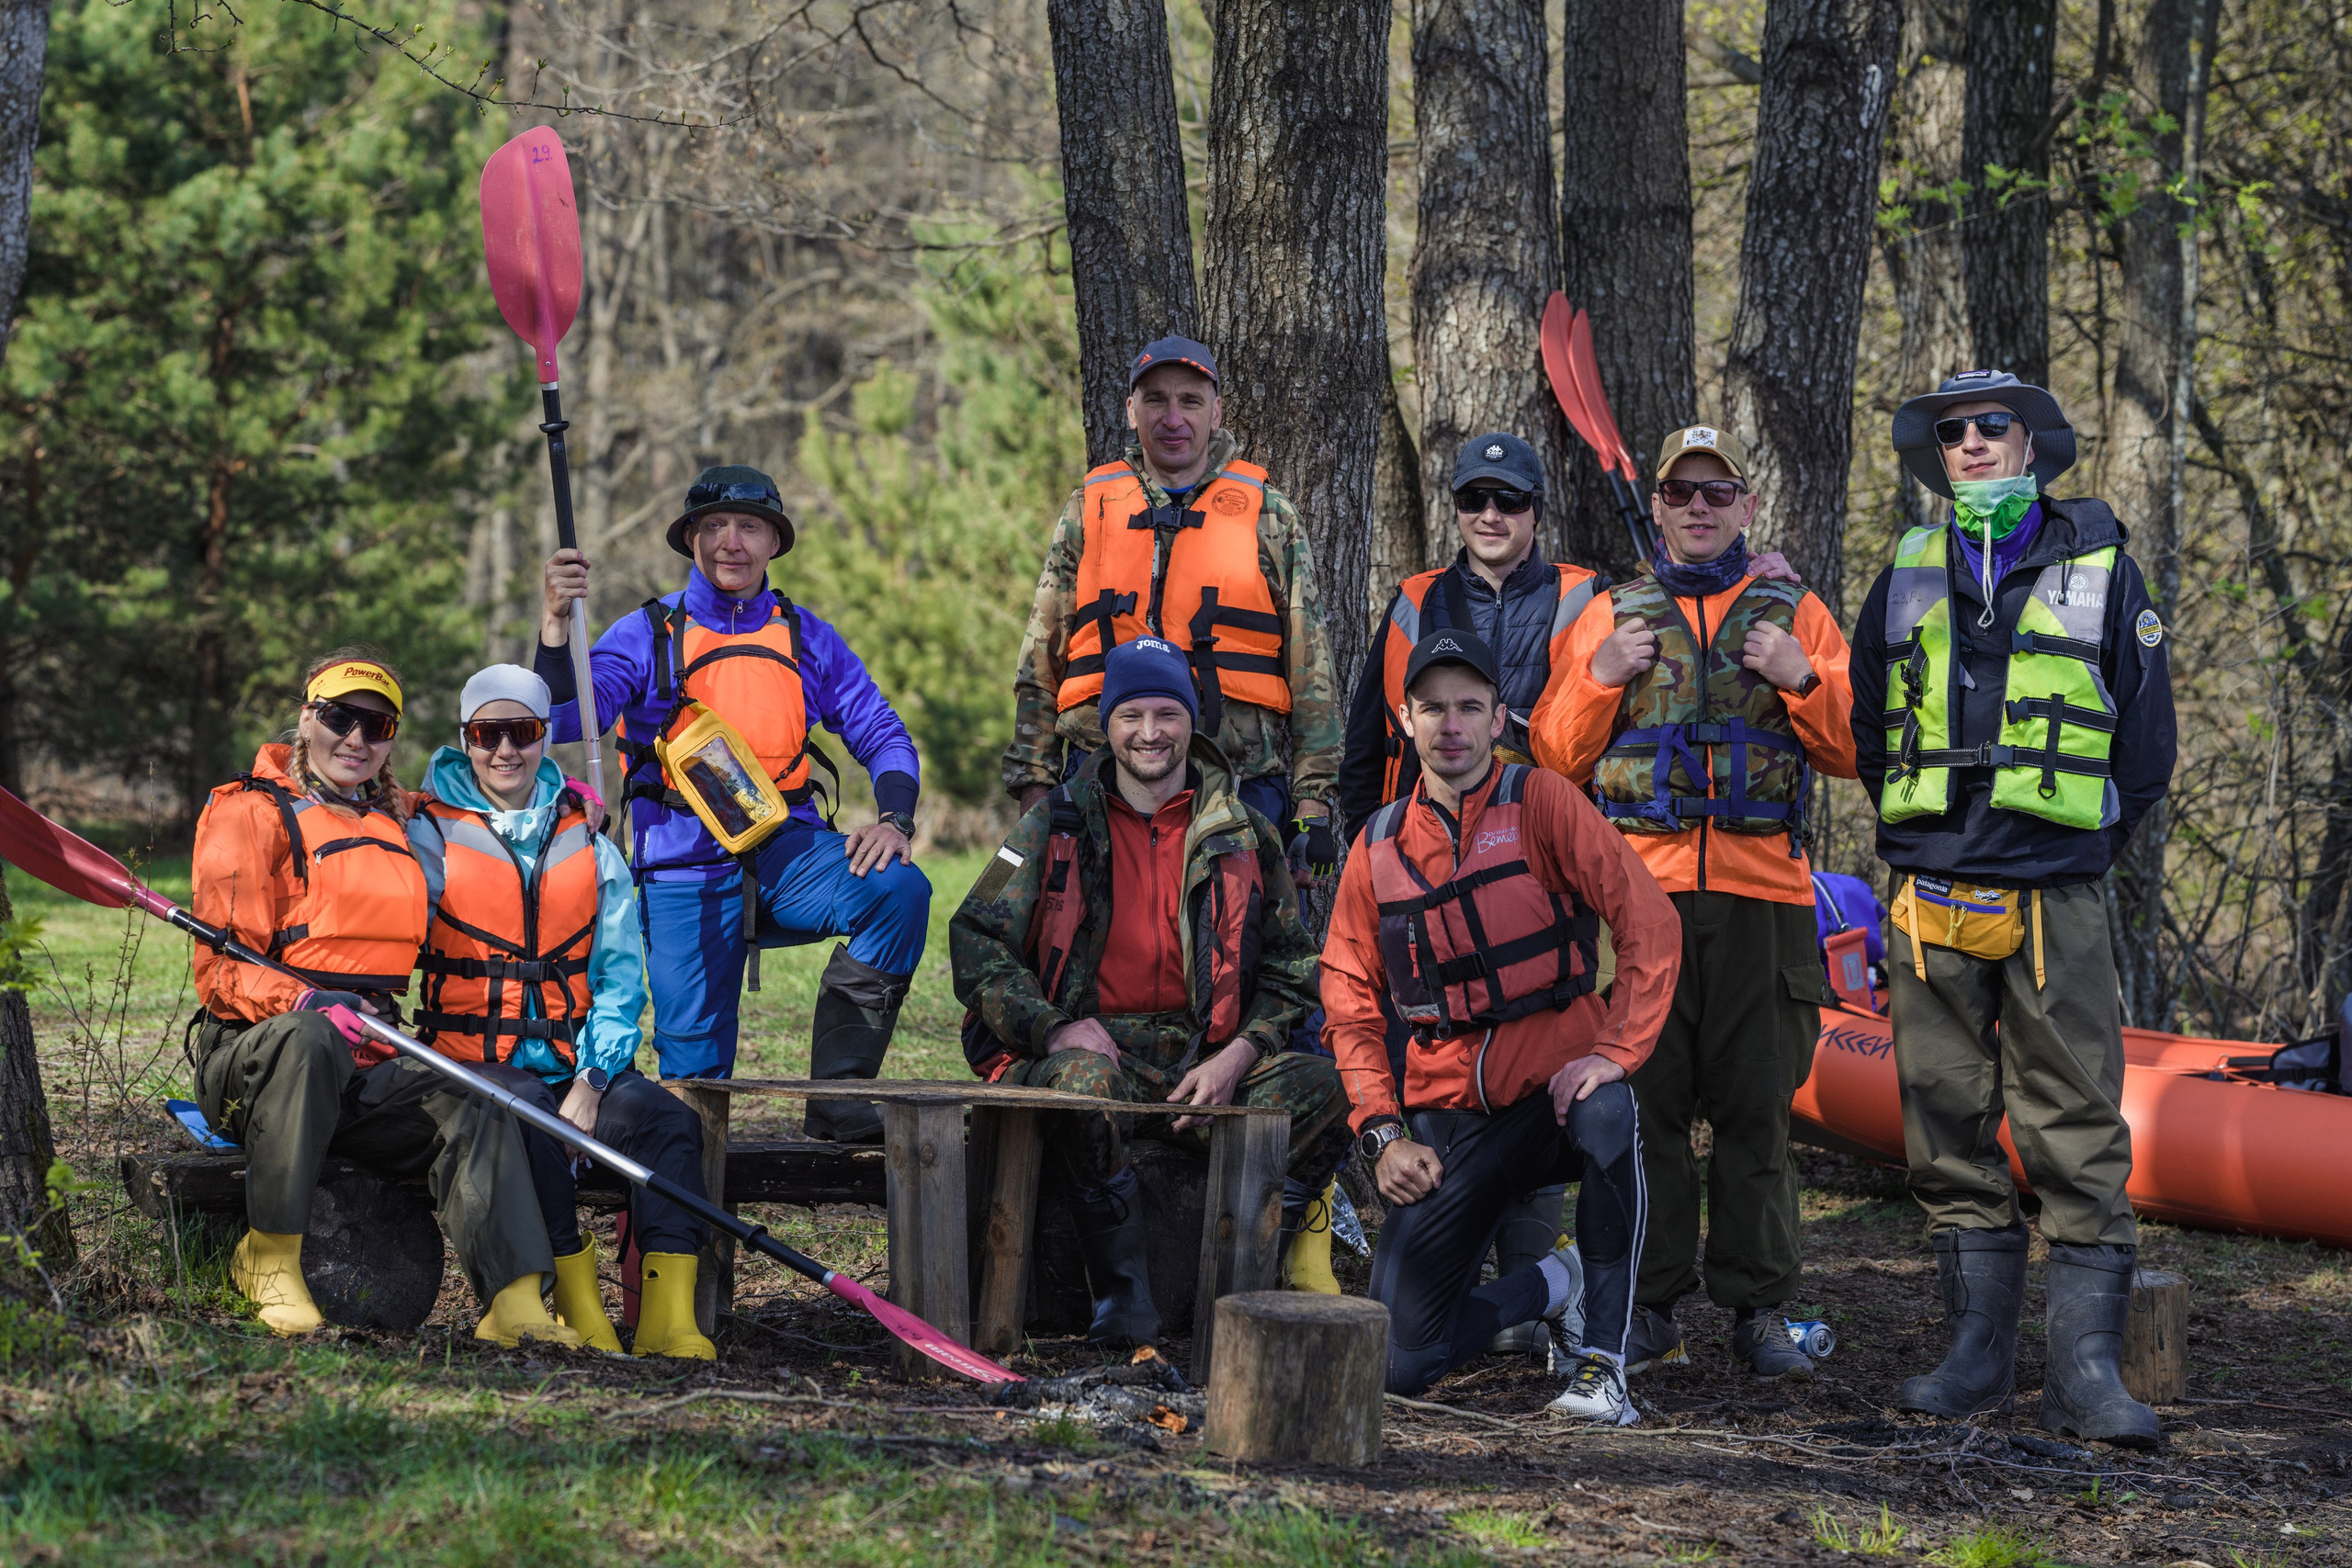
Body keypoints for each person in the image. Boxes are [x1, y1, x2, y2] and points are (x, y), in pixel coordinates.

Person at [1853, 370, 2177, 1446]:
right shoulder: (1901, 574)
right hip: (1932, 892)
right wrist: (1922, 843)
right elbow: (1866, 727)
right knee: (1944, 1124)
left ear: (2031, 442)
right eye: (1951, 432)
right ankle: (1972, 1356)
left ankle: (2084, 1373)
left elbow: (2145, 745)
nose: (1971, 442)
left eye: (1992, 425)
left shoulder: (2103, 570)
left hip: (2054, 895)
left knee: (2074, 1122)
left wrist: (2079, 849)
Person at [1530, 423, 1856, 1382]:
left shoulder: (1796, 610)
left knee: (1758, 1113)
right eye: (1682, 494)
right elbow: (1554, 756)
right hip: (1645, 903)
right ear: (1661, 508)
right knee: (1649, 1113)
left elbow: (1853, 749)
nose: (1700, 509)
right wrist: (1600, 677)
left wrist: (1798, 679)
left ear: (1746, 507)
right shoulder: (1610, 614)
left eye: (1718, 494)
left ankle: (1757, 1311)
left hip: (1763, 897)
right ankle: (1650, 1308)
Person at [1322, 630, 1680, 1422]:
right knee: (1397, 1361)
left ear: (1498, 718)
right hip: (1451, 1119)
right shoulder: (1376, 844)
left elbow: (1647, 918)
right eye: (1433, 709)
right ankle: (1555, 1285)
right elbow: (1347, 996)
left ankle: (1606, 1367)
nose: (1451, 725)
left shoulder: (1543, 801)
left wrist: (1616, 1051)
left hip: (1558, 1091)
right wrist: (1382, 1133)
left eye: (1469, 708)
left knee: (1609, 1111)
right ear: (1407, 720)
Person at [953, 637, 1353, 1345]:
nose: (1149, 733)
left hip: (1203, 1059)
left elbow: (1294, 967)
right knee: (1078, 1079)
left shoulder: (1242, 831)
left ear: (1190, 722)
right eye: (1130, 714)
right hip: (1098, 1051)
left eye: (1166, 713)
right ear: (1105, 724)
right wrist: (1052, 1028)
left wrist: (1237, 1057)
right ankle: (1123, 1294)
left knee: (1322, 1085)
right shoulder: (1056, 820)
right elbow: (976, 938)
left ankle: (1244, 1277)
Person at [188, 651, 577, 1346]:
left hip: (370, 1054)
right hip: (258, 1055)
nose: (356, 739)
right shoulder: (251, 810)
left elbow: (495, 791)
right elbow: (219, 973)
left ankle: (515, 1298)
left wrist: (562, 799)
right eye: (340, 717)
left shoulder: (402, 816)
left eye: (377, 725)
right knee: (310, 1043)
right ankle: (269, 1259)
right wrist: (305, 1003)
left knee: (476, 1095)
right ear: (307, 717)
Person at [539, 466, 930, 1142]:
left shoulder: (807, 636)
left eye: (750, 526)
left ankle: (837, 1097)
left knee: (898, 890)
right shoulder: (649, 632)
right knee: (696, 1083)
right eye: (714, 526)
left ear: (774, 542)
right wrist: (552, 621)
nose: (731, 542)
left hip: (788, 852)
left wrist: (895, 816)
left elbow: (882, 731)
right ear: (690, 538)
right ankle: (693, 1234)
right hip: (680, 868)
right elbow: (564, 716)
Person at [1335, 432, 1603, 1357]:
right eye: (1474, 499)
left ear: (1536, 509)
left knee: (1534, 1058)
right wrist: (1356, 851)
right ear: (1454, 507)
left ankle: (1541, 1287)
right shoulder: (1414, 599)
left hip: (1534, 867)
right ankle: (1467, 1265)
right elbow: (1368, 743)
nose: (1490, 516)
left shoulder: (1580, 596)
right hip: (1418, 872)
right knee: (1438, 1070)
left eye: (1511, 500)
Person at [405, 664, 717, 1360]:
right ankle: (579, 1299)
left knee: (670, 1124)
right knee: (524, 1114)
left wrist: (594, 1079)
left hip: (576, 1067)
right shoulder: (427, 838)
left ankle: (669, 1317)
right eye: (488, 733)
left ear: (546, 737)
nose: (505, 749)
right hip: (474, 1069)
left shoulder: (593, 844)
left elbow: (617, 978)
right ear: (465, 738)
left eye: (523, 732)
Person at [1001, 335, 1343, 884]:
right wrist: (1035, 788)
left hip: (1239, 779)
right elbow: (1041, 658)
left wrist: (1312, 805)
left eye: (1190, 400)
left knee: (1236, 952)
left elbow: (1313, 669)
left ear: (1216, 411)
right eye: (1156, 399)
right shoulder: (1090, 510)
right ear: (1131, 410)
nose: (1173, 417)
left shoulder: (1269, 515)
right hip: (1101, 774)